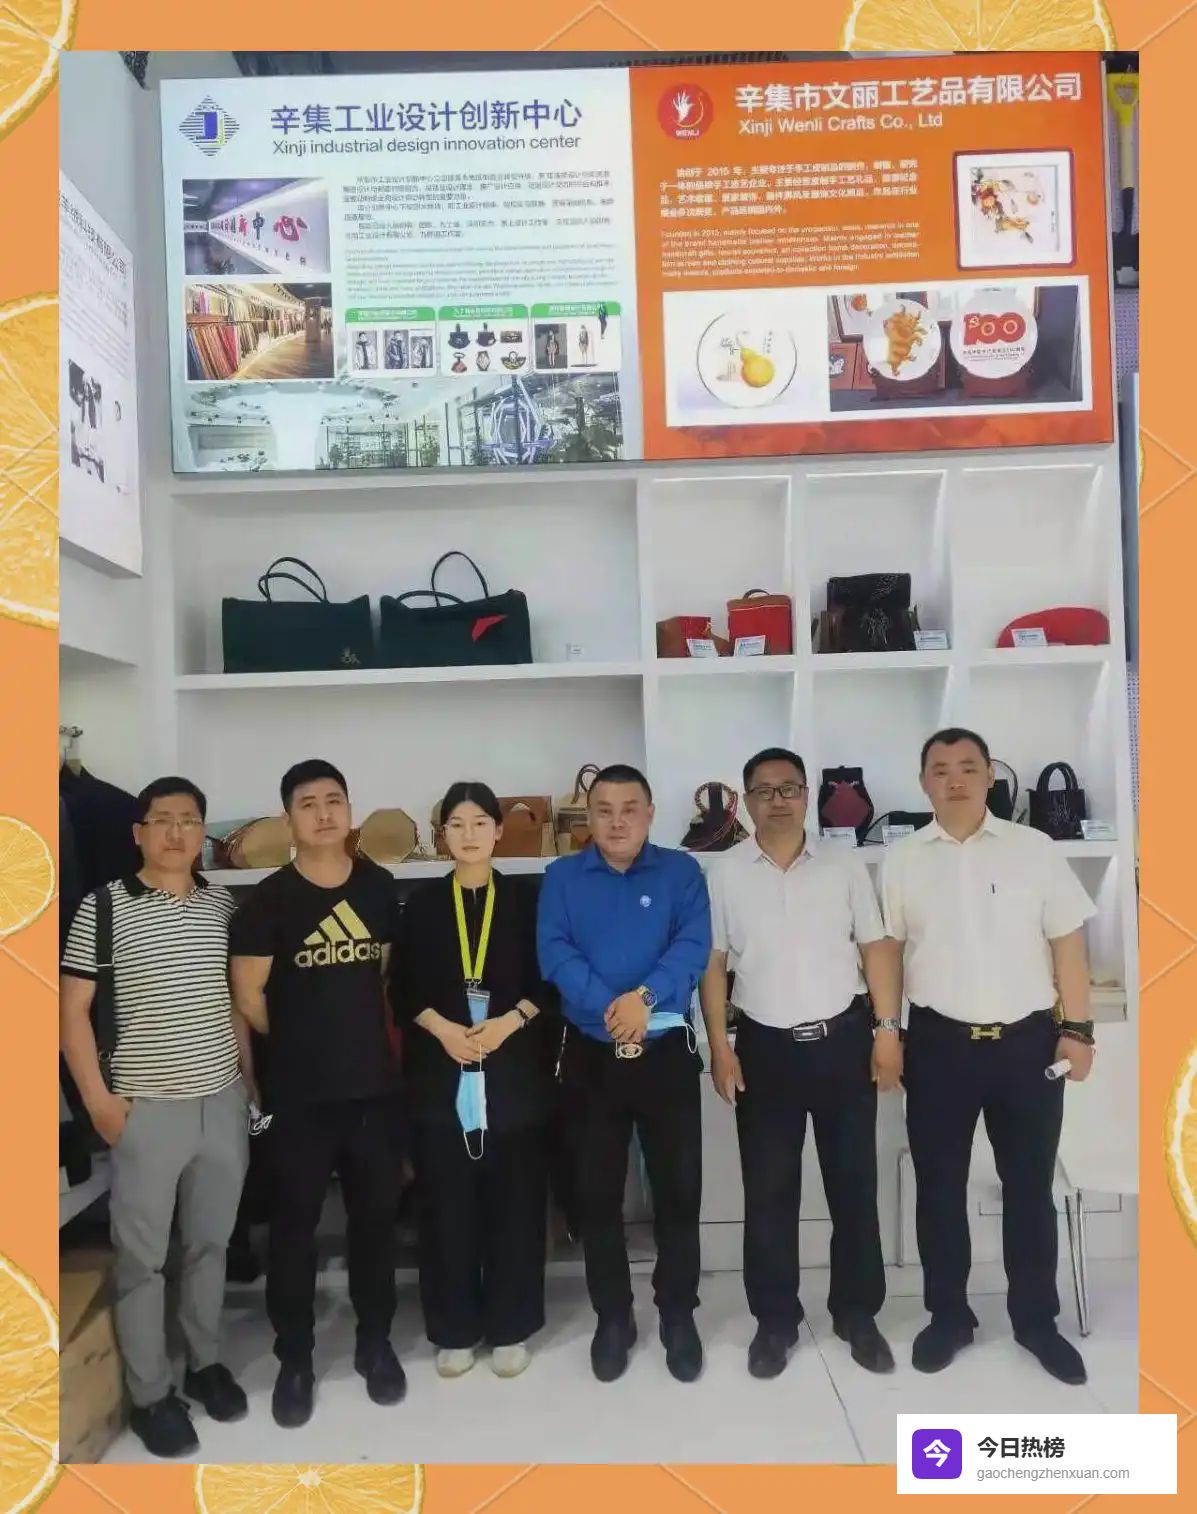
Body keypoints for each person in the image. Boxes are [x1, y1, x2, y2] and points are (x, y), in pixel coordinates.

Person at [881, 728, 1097, 1385]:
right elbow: (887, 953)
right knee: (939, 1190)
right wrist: (887, 1031)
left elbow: (1067, 944)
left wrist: (1078, 1030)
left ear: (989, 778)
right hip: (937, 1046)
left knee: (1029, 1189)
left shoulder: (1033, 849)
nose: (955, 779)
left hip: (1028, 1045)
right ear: (923, 781)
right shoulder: (901, 860)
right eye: (940, 769)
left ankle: (1036, 1322)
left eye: (968, 767)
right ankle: (948, 1317)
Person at [60, 777, 253, 1459]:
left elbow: (235, 1002)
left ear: (203, 833)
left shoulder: (222, 905)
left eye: (189, 820)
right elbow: (71, 1010)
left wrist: (249, 1091)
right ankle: (149, 1395)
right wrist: (99, 1103)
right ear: (138, 832)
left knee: (210, 1246)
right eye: (162, 820)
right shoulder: (102, 907)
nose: (176, 832)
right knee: (142, 1261)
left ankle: (204, 1363)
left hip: (222, 1103)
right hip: (145, 1111)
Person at [701, 748, 901, 1380]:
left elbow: (875, 949)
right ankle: (775, 1322)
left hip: (844, 1043)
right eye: (764, 791)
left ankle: (857, 1314)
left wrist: (887, 1033)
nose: (778, 800)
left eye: (789, 788)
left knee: (854, 1188)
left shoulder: (844, 866)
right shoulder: (726, 873)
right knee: (768, 1193)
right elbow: (714, 964)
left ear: (808, 794)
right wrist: (719, 1046)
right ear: (746, 801)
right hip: (764, 1049)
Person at [230, 759, 405, 1428]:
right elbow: (249, 997)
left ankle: (374, 1343)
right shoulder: (268, 902)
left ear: (349, 810)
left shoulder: (379, 888)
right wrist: (304, 1041)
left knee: (375, 1226)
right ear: (288, 820)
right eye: (309, 804)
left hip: (374, 1093)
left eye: (335, 800)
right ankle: (295, 1359)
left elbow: (386, 978)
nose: (325, 813)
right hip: (299, 1097)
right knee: (294, 1232)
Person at [537, 764, 711, 1384]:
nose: (616, 822)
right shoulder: (561, 878)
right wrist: (613, 1010)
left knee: (678, 1192)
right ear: (588, 816)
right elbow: (555, 952)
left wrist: (644, 999)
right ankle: (613, 1317)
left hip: (665, 1052)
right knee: (597, 1196)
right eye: (604, 810)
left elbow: (692, 947)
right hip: (591, 1056)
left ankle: (677, 1313)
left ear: (649, 813)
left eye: (629, 808)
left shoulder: (681, 873)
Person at [394, 782, 556, 1380]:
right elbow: (401, 989)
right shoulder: (420, 906)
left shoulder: (526, 902)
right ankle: (455, 1329)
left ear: (498, 830)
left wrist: (509, 1023)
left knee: (516, 1206)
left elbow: (548, 983)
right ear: (443, 834)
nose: (469, 835)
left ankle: (511, 1327)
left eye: (480, 823)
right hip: (442, 1073)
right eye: (456, 824)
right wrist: (443, 1030)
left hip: (512, 1073)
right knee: (447, 1209)